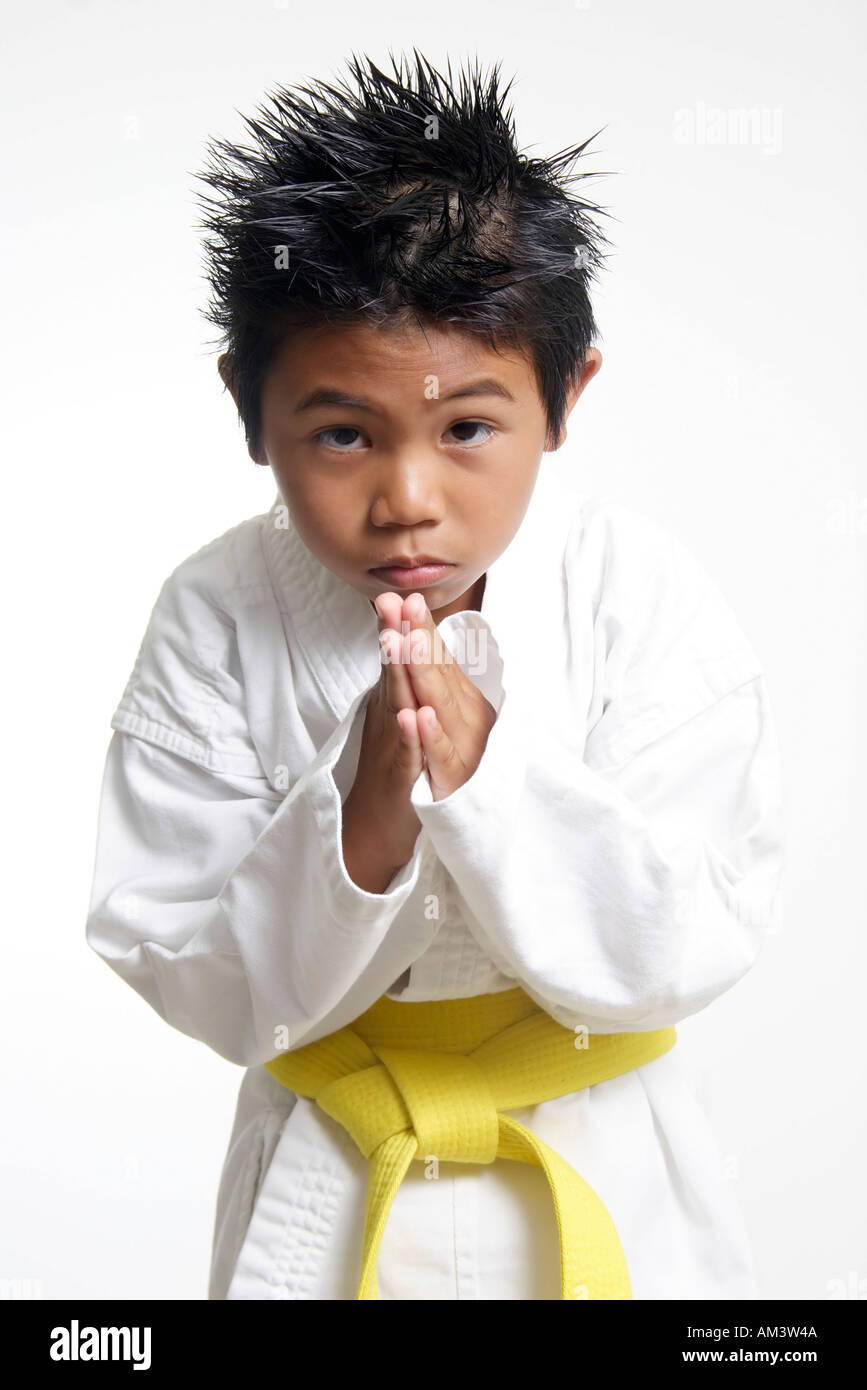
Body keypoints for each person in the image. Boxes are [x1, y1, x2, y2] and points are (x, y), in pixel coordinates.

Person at [85, 49, 784, 1300]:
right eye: (343, 431)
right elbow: (179, 956)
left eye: (467, 426)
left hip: (602, 1160)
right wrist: (360, 818)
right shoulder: (216, 617)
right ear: (250, 410)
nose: (406, 498)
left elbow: (698, 935)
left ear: (564, 398)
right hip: (337, 1171)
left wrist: (492, 779)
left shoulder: (638, 598)